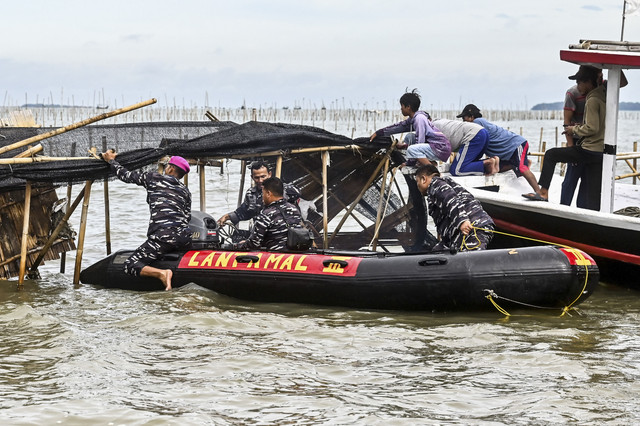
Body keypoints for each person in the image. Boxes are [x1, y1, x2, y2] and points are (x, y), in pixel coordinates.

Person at [101, 151, 192, 290]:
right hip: (184, 238)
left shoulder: (154, 178)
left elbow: (126, 176)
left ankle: (162, 273)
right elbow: (187, 217)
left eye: (167, 165)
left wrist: (111, 161)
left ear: (171, 168)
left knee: (131, 264)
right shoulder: (186, 191)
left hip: (163, 237)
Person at [523, 66, 606, 210]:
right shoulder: (604, 93)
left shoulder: (592, 99)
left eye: (579, 82)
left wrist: (573, 129)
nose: (578, 86)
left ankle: (543, 193)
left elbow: (592, 128)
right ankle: (591, 216)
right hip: (601, 151)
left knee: (551, 155)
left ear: (587, 81)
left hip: (589, 149)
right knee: (590, 190)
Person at [561, 66, 627, 207]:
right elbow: (567, 122)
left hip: (595, 143)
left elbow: (622, 82)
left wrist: (614, 65)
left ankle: (583, 210)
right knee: (571, 179)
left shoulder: (603, 88)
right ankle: (563, 207)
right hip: (578, 139)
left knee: (588, 180)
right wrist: (570, 146)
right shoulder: (573, 93)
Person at [457, 104, 541, 194]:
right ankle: (520, 162)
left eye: (464, 118)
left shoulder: (476, 123)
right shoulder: (479, 123)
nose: (463, 121)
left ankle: (539, 192)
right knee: (496, 168)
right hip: (508, 151)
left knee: (521, 168)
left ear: (471, 117)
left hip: (516, 144)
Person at [415, 164, 494, 251]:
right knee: (437, 252)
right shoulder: (439, 185)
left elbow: (451, 199)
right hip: (457, 234)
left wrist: (462, 221)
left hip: (473, 227)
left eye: (417, 181)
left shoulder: (436, 184)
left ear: (423, 179)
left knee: (469, 259)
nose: (417, 186)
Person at [370, 89, 451, 166]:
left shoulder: (419, 119)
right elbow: (399, 126)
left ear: (408, 107)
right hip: (433, 147)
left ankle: (432, 170)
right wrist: (379, 133)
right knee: (410, 137)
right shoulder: (413, 119)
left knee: (411, 150)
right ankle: (429, 162)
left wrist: (409, 163)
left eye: (402, 106)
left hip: (440, 149)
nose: (401, 108)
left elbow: (420, 142)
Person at [217, 160, 301, 226]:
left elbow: (297, 193)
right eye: (256, 178)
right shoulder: (251, 194)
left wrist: (278, 187)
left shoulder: (282, 188)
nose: (260, 181)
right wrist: (227, 217)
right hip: (261, 231)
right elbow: (244, 212)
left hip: (283, 231)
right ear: (252, 177)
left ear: (269, 174)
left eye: (263, 177)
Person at [235, 177, 304, 251]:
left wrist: (238, 245)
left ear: (268, 193)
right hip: (295, 255)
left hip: (275, 257)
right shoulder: (294, 209)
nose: (262, 197)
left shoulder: (266, 214)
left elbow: (254, 244)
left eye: (263, 193)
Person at [431, 118, 499, 176]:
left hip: (473, 136)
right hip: (483, 132)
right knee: (470, 163)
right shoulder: (438, 122)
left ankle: (487, 163)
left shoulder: (429, 129)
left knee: (456, 170)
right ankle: (493, 161)